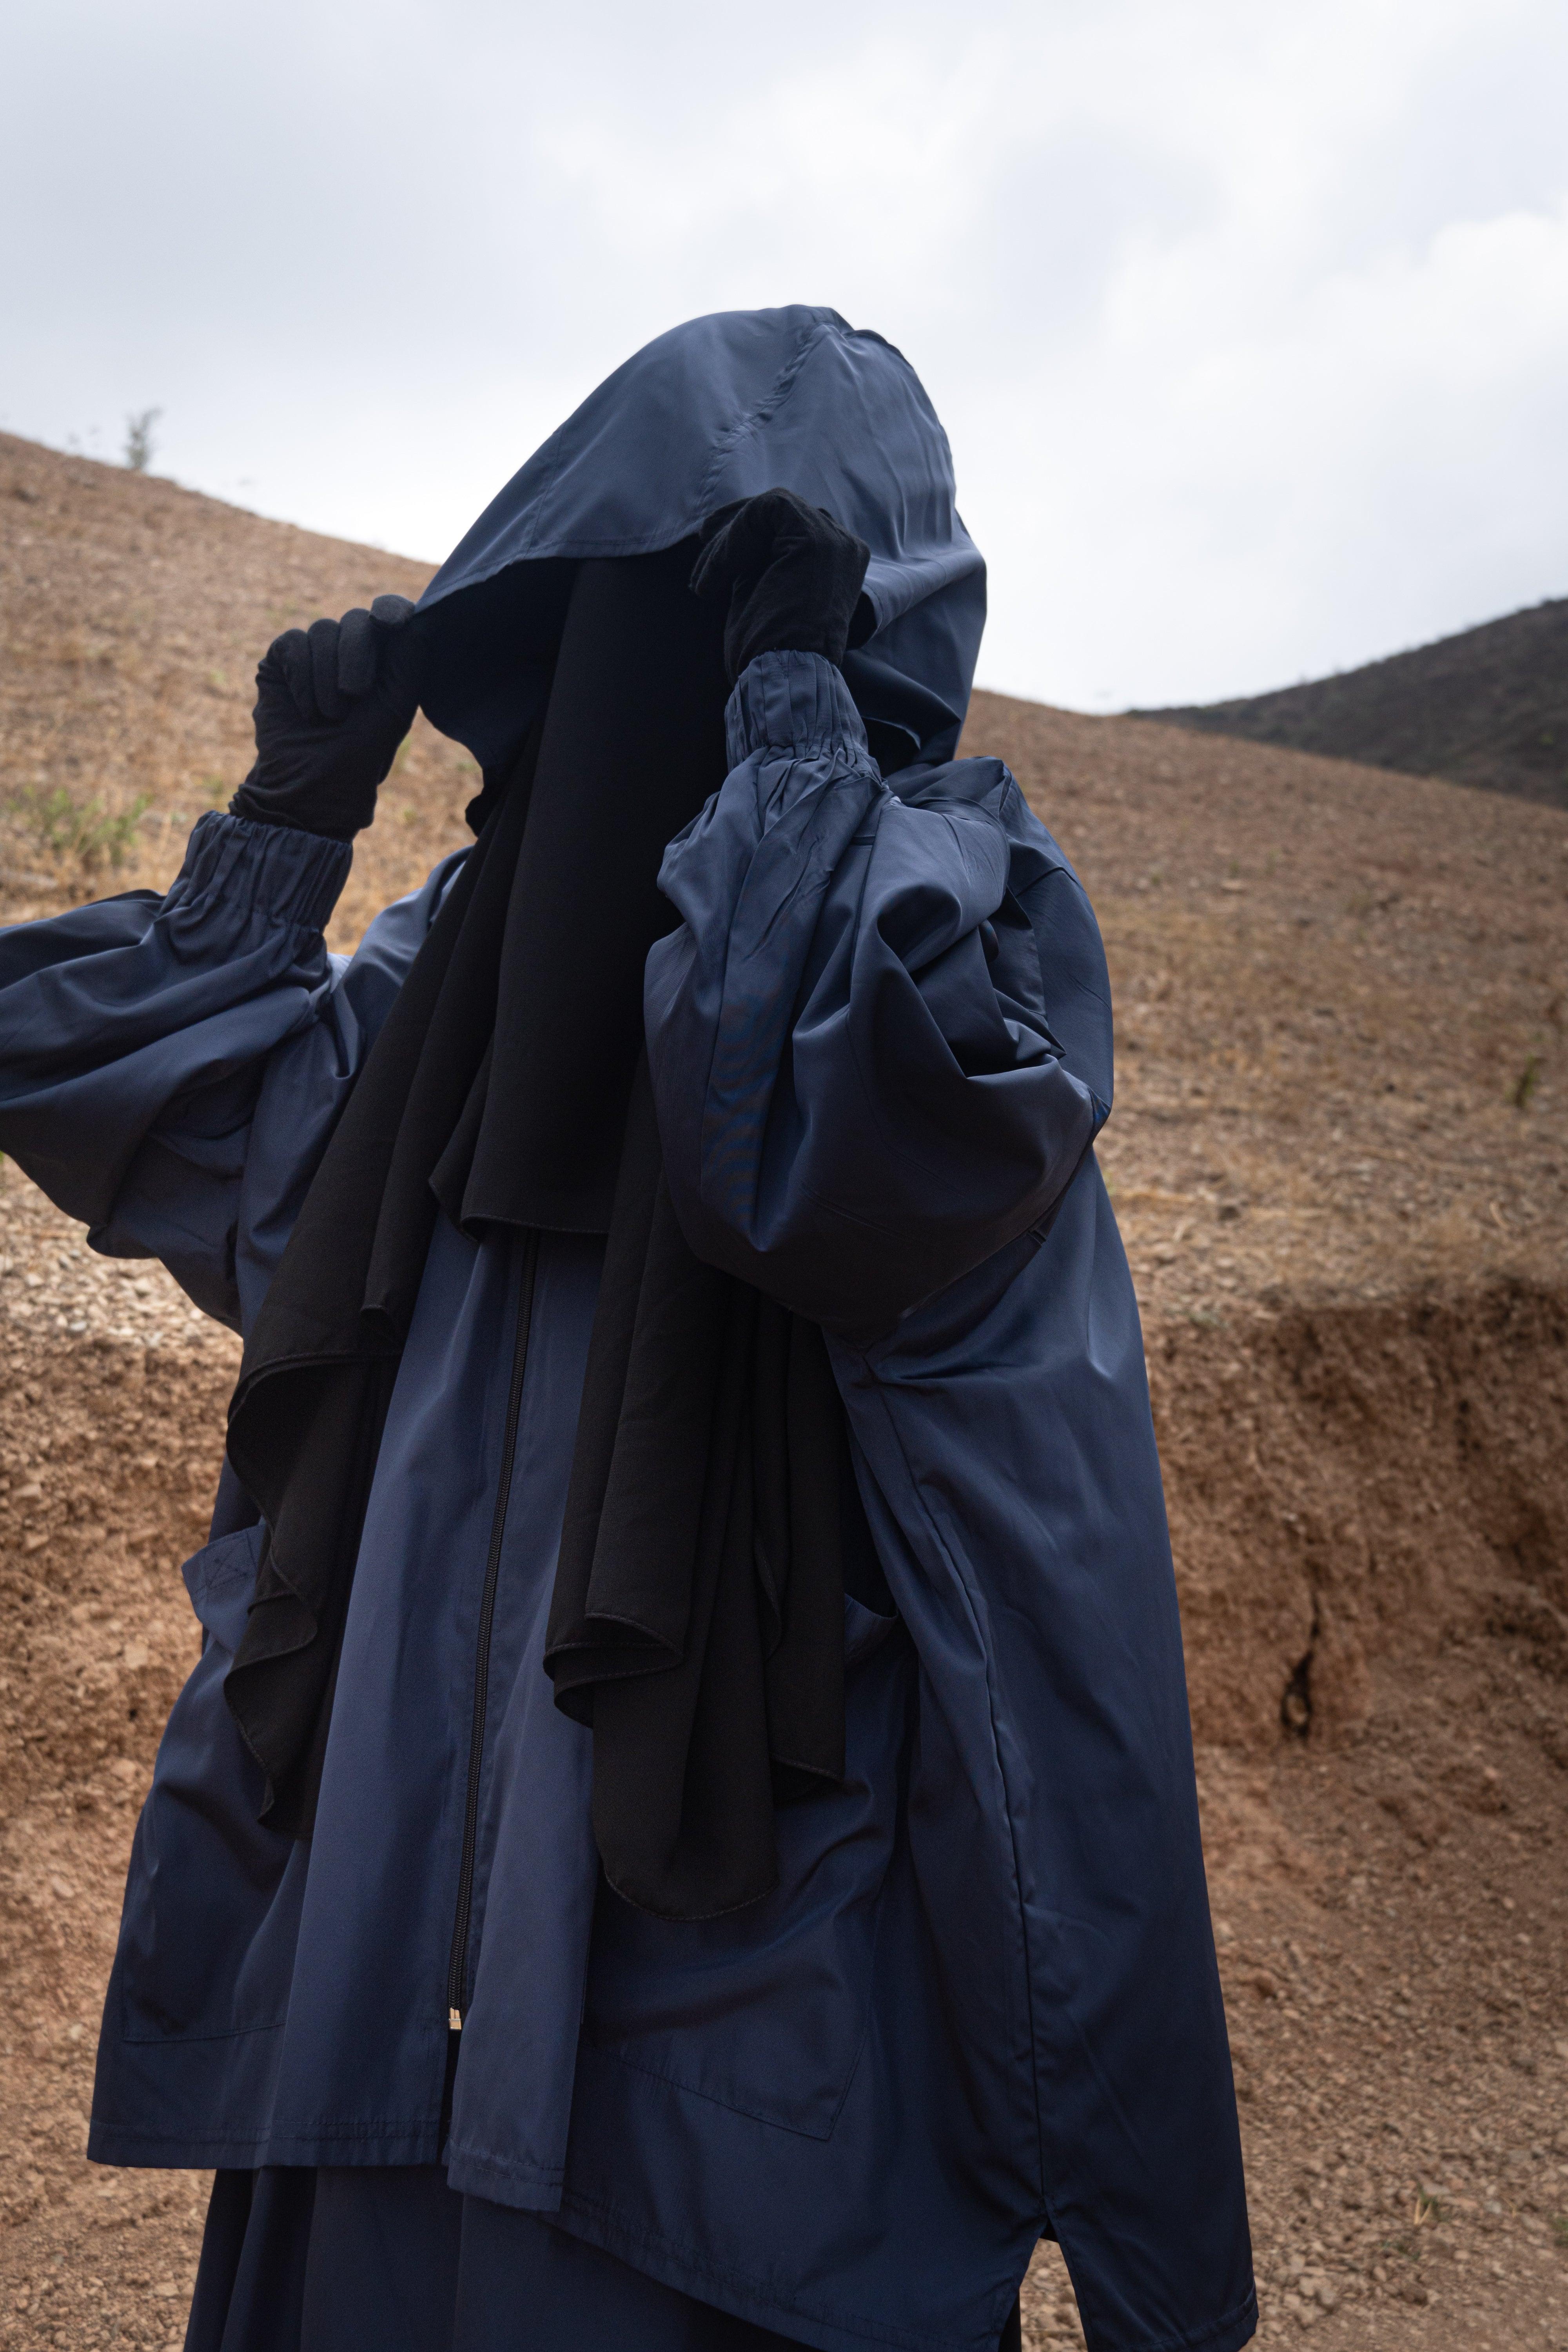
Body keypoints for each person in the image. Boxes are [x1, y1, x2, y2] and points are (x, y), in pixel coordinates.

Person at [0, 307, 1254, 2352]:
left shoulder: (938, 968)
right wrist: (282, 837)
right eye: (623, 629)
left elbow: (829, 1151)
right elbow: (137, 1113)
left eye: (712, 635)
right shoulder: (449, 1002)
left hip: (731, 2160)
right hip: (378, 2070)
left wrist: (795, 790)